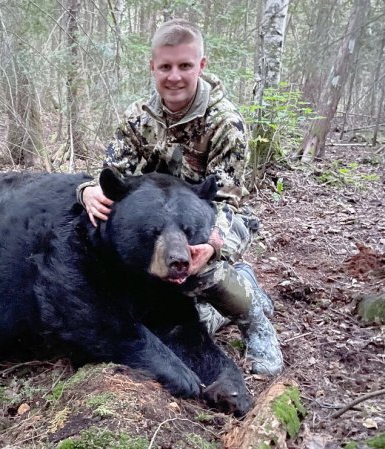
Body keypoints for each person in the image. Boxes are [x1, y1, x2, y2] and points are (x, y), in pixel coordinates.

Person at [75, 18, 283, 376]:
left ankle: (257, 323)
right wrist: (86, 190)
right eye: (166, 67)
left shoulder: (225, 124)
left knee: (198, 272)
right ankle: (238, 288)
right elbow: (111, 176)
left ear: (201, 66)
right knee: (164, 297)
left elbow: (226, 200)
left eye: (185, 66)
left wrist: (212, 246)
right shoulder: (138, 119)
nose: (174, 76)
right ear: (153, 67)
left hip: (213, 217)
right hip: (158, 220)